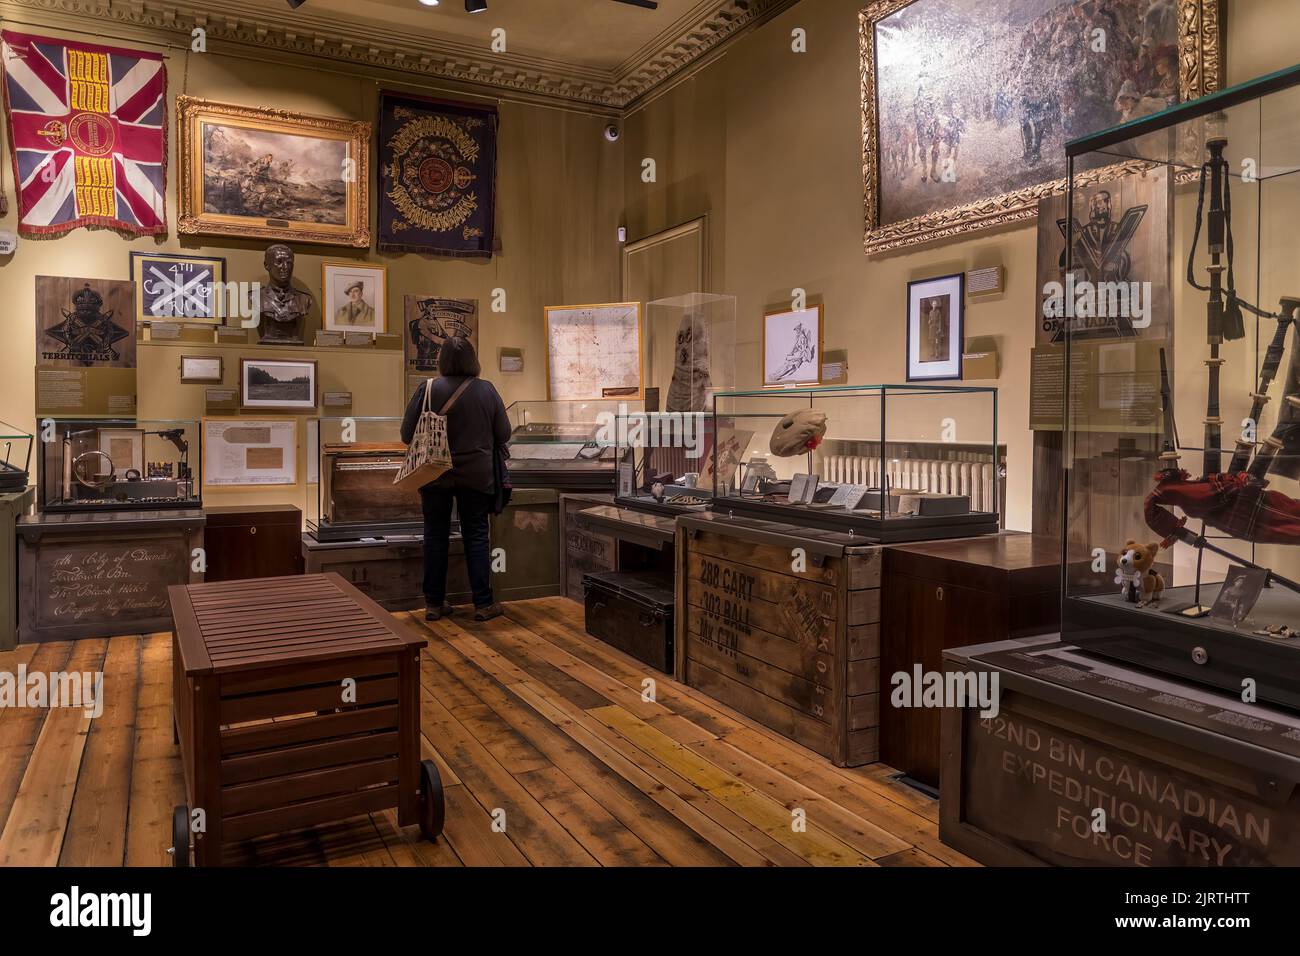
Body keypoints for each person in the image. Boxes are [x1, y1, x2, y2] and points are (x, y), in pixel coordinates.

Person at [400, 336, 510, 622]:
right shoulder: (486, 390)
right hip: (476, 474)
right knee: (476, 535)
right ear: (473, 359)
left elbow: (405, 434)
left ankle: (434, 604)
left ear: (442, 361)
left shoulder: (428, 388)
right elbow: (504, 434)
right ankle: (483, 604)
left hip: (435, 473)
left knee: (435, 536)